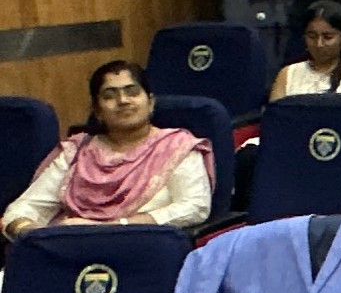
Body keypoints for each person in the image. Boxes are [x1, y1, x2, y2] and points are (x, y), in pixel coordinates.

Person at [3, 61, 212, 241]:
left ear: (150, 103)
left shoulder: (177, 147)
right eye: (110, 96)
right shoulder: (77, 152)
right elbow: (21, 210)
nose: (123, 101)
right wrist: (37, 235)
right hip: (72, 249)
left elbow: (194, 207)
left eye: (132, 92)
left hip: (145, 247)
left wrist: (114, 227)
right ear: (97, 111)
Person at [271, 1, 341, 99]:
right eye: (312, 37)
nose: (319, 44)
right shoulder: (288, 74)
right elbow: (277, 112)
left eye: (328, 37)